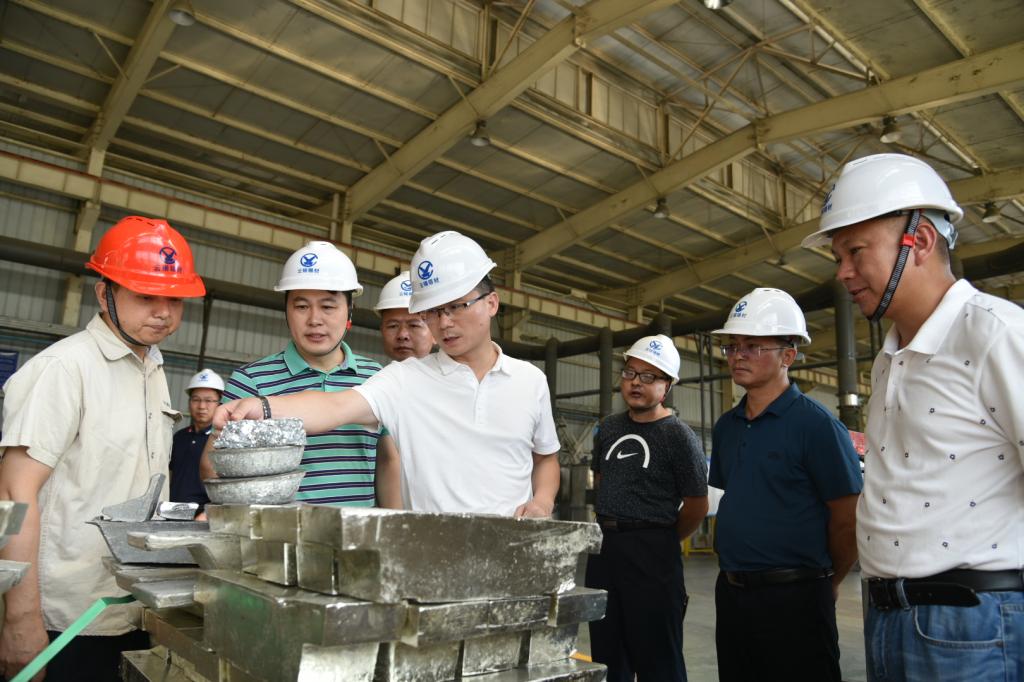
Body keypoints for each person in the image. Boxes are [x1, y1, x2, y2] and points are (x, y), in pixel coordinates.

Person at [803, 153, 1024, 681]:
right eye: (838, 256)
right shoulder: (891, 358)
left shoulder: (996, 334)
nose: (842, 272)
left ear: (919, 240)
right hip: (890, 616)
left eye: (856, 251)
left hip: (970, 624)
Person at [213, 230, 560, 517]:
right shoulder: (406, 379)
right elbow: (334, 406)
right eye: (432, 311)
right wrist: (263, 406)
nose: (444, 323)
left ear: (492, 303)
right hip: (435, 555)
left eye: (456, 306)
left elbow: (545, 457)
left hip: (516, 551)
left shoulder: (530, 381)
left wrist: (543, 502)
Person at [0, 216, 205, 681]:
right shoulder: (63, 369)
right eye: (145, 296)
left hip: (130, 608)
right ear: (103, 293)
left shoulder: (151, 370)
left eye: (175, 299)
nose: (164, 312)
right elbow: (12, 497)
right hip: (64, 620)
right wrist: (19, 618)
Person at [708, 287, 862, 682]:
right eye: (732, 346)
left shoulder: (817, 426)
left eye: (753, 346)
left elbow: (847, 518)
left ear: (788, 356)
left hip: (797, 597)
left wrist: (830, 580)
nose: (738, 355)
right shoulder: (727, 427)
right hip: (733, 593)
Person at [199, 241, 398, 507]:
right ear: (286, 311)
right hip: (278, 530)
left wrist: (392, 522)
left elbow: (387, 461)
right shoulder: (251, 381)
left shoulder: (375, 377)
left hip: (357, 530)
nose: (314, 319)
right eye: (302, 306)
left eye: (328, 307)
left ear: (349, 310)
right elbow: (212, 469)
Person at [585, 334, 709, 682]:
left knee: (658, 658)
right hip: (605, 550)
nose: (635, 382)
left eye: (648, 376)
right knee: (608, 655)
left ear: (667, 386)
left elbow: (697, 504)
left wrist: (661, 537)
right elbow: (602, 478)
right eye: (629, 373)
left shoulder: (678, 436)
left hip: (653, 552)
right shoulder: (609, 428)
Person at [169, 369, 224, 510]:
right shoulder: (179, 437)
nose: (201, 406)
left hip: (203, 515)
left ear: (219, 404)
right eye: (196, 400)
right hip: (172, 511)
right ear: (189, 402)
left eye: (208, 400)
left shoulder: (223, 441)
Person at [374, 270, 434, 361]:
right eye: (393, 326)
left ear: (435, 334)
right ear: (382, 331)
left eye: (414, 325)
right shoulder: (373, 371)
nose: (402, 335)